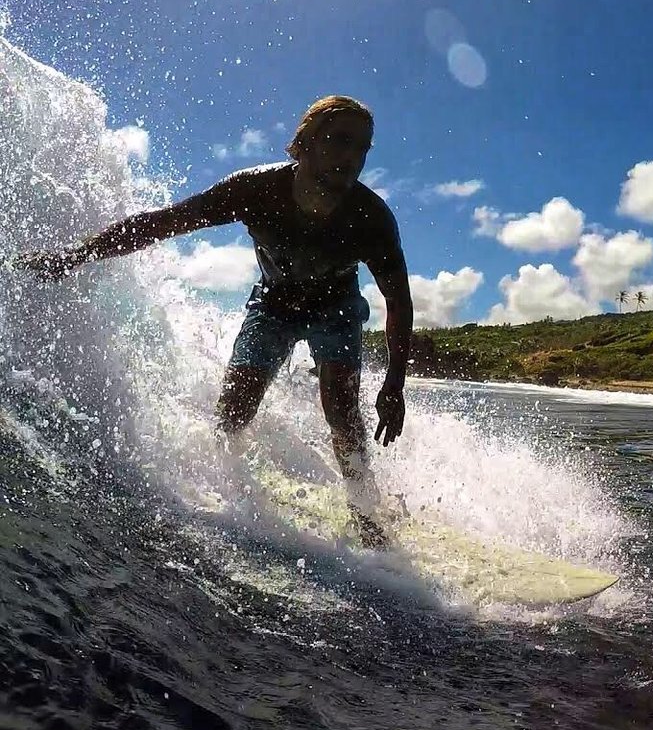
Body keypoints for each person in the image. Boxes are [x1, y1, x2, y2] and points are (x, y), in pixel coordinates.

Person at [16, 95, 413, 546]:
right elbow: (162, 223)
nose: (352, 157)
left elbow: (398, 301)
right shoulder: (255, 189)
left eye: (362, 148)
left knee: (341, 410)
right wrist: (73, 256)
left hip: (335, 307)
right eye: (340, 141)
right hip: (274, 302)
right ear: (303, 143)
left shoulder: (372, 218)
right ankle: (230, 490)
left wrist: (394, 385)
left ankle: (366, 514)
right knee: (234, 409)